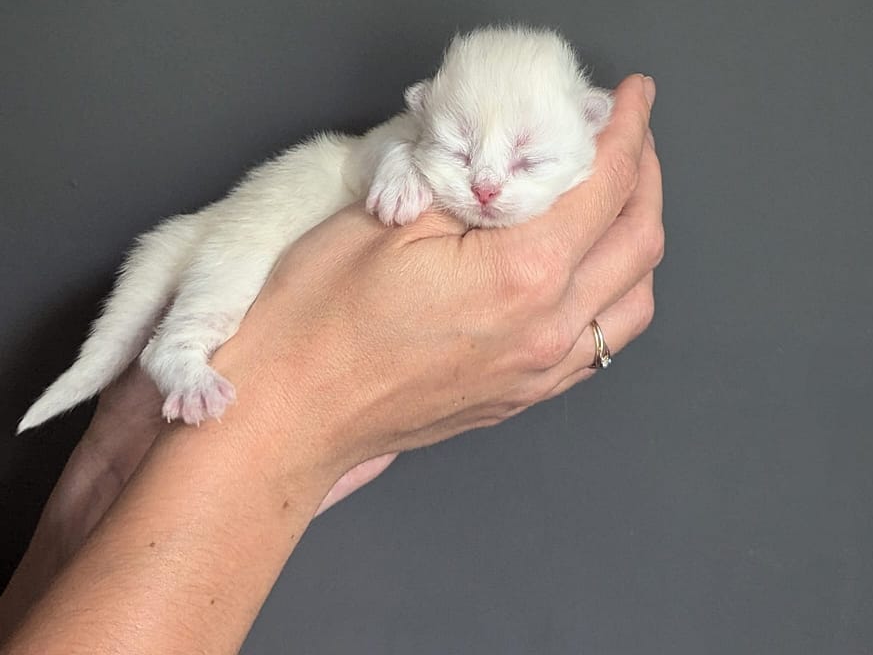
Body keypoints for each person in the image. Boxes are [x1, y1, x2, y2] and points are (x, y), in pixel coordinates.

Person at [0, 74, 663, 655]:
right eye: (459, 153)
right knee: (227, 288)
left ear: (588, 120)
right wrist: (288, 433)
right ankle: (179, 351)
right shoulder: (402, 148)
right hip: (267, 233)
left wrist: (114, 475)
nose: (486, 187)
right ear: (424, 109)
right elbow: (380, 159)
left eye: (527, 161)